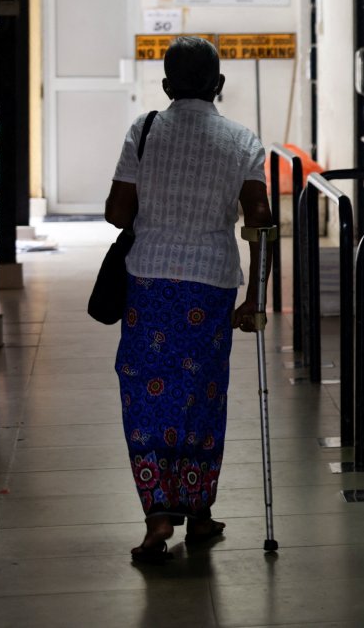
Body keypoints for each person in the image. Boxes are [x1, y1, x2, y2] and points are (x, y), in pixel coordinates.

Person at [104, 35, 272, 564]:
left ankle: (157, 516)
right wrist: (256, 297)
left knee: (147, 393)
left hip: (149, 283)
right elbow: (261, 223)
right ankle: (198, 514)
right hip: (211, 285)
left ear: (165, 86)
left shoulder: (144, 130)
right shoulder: (244, 142)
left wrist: (160, 210)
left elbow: (116, 211)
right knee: (202, 394)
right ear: (219, 86)